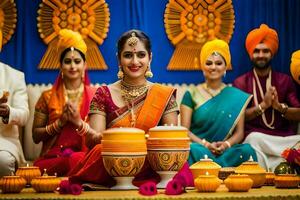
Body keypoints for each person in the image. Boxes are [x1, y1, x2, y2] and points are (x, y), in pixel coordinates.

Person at [68, 29, 180, 187]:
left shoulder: (164, 94)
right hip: (114, 161)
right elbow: (94, 142)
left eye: (141, 55)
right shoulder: (103, 93)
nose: (135, 62)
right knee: (100, 152)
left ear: (150, 58)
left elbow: (171, 142)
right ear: (119, 60)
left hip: (150, 162)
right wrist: (81, 125)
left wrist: (139, 146)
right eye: (128, 55)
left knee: (168, 155)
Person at [233, 24, 300, 171]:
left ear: (272, 53)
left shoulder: (285, 80)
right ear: (250, 54)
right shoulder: (241, 82)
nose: (261, 55)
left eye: (265, 51)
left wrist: (279, 107)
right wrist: (263, 105)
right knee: (252, 140)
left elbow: (298, 113)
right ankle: (283, 165)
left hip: (284, 140)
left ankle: (276, 165)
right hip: (258, 140)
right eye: (256, 51)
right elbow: (237, 117)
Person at [180, 39, 257, 167]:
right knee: (190, 149)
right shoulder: (191, 94)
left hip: (226, 151)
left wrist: (226, 145)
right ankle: (219, 170)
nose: (213, 67)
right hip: (200, 148)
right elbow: (185, 131)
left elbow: (239, 133)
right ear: (202, 66)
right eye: (209, 63)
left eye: (218, 63)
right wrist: (206, 144)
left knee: (247, 150)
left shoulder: (236, 96)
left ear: (225, 66)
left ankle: (215, 168)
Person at [32, 29, 96, 176]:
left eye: (77, 61)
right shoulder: (47, 97)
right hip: (54, 158)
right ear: (60, 66)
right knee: (69, 161)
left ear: (85, 65)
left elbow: (100, 134)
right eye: (67, 62)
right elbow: (35, 136)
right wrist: (59, 124)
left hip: (84, 155)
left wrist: (78, 122)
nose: (72, 66)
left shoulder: (95, 96)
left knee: (77, 159)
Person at [0, 62, 29, 177]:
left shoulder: (14, 76)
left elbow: (24, 116)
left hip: (3, 142)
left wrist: (8, 112)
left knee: (3, 162)